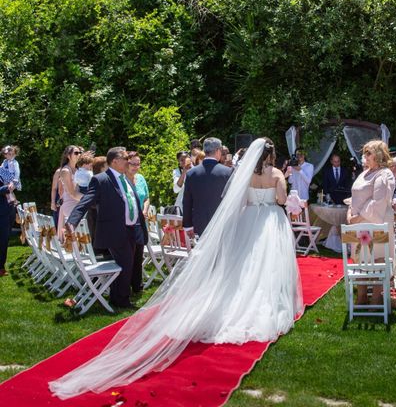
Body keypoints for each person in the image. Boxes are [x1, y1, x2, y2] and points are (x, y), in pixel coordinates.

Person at [49, 138, 303, 399]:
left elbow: (219, 202)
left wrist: (192, 224)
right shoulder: (264, 174)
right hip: (267, 220)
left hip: (239, 221)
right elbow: (281, 200)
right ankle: (121, 297)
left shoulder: (230, 174)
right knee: (262, 265)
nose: (130, 162)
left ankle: (124, 296)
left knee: (242, 265)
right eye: (126, 159)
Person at [65, 147, 148, 308]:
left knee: (126, 265)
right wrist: (72, 221)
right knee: (126, 264)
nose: (129, 162)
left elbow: (131, 201)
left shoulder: (126, 179)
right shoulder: (101, 179)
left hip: (132, 229)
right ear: (115, 161)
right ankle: (122, 301)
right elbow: (85, 201)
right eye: (125, 159)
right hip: (115, 231)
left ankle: (116, 298)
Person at [347, 140, 396, 305]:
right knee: (361, 258)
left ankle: (376, 297)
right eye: (365, 153)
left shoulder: (384, 174)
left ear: (379, 155)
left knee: (377, 259)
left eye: (369, 153)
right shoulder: (364, 173)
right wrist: (350, 212)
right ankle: (361, 296)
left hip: (375, 224)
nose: (365, 156)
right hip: (359, 224)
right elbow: (356, 197)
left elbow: (378, 202)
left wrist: (357, 217)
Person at [182, 138, 233, 237]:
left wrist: (188, 225)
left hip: (199, 224)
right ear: (218, 151)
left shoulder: (191, 173)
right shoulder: (228, 172)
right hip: (222, 223)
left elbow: (187, 201)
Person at [126, 151, 150, 293]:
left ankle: (137, 285)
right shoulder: (122, 180)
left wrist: (145, 210)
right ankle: (126, 285)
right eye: (132, 164)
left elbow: (146, 197)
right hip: (128, 222)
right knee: (129, 253)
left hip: (141, 221)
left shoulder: (140, 178)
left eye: (138, 164)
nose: (135, 167)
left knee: (139, 252)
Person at [56, 146, 83, 240]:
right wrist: (87, 199)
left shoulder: (79, 169)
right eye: (76, 153)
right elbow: (72, 193)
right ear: (68, 156)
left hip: (79, 201)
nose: (79, 155)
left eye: (80, 153)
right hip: (70, 203)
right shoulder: (65, 171)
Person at [86, 156, 108, 244]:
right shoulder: (97, 180)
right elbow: (93, 202)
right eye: (107, 165)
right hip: (96, 219)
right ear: (101, 168)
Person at [0, 170, 16, 276]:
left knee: (4, 241)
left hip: (6, 211)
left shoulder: (2, 172)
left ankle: (1, 267)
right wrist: (7, 188)